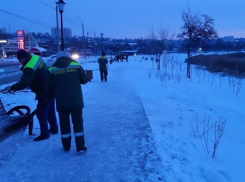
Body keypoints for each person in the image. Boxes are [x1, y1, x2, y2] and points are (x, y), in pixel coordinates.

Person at [3, 49, 58, 141]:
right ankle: (54, 128)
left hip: (44, 90)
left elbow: (25, 82)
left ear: (24, 58)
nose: (19, 61)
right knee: (50, 110)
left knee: (41, 113)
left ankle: (45, 134)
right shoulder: (36, 58)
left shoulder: (29, 68)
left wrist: (12, 88)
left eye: (20, 59)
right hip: (51, 86)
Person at [49, 51, 88, 154]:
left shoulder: (52, 69)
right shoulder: (76, 65)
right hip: (76, 101)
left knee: (64, 124)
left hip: (61, 102)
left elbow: (49, 86)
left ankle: (66, 146)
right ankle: (80, 147)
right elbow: (84, 80)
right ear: (69, 57)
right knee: (78, 123)